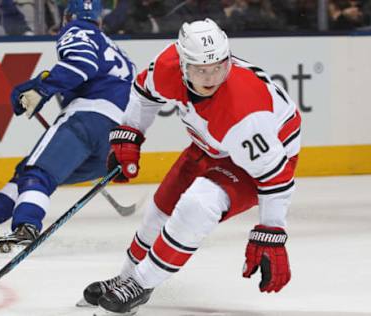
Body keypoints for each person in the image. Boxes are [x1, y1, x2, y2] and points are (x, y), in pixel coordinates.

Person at [81, 18, 301, 314]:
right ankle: (126, 278)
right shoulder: (167, 66)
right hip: (211, 145)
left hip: (259, 164)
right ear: (183, 65)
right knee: (160, 210)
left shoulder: (244, 113)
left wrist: (272, 233)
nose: (211, 77)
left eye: (218, 67)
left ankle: (141, 285)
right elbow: (145, 95)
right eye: (200, 69)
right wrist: (130, 135)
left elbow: (276, 177)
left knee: (197, 206)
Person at [0, 0, 136, 257]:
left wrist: (42, 89)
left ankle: (25, 229)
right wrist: (40, 84)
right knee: (28, 173)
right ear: (100, 20)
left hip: (88, 120)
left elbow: (81, 65)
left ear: (67, 17)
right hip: (115, 143)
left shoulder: (77, 30)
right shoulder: (116, 50)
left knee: (37, 174)